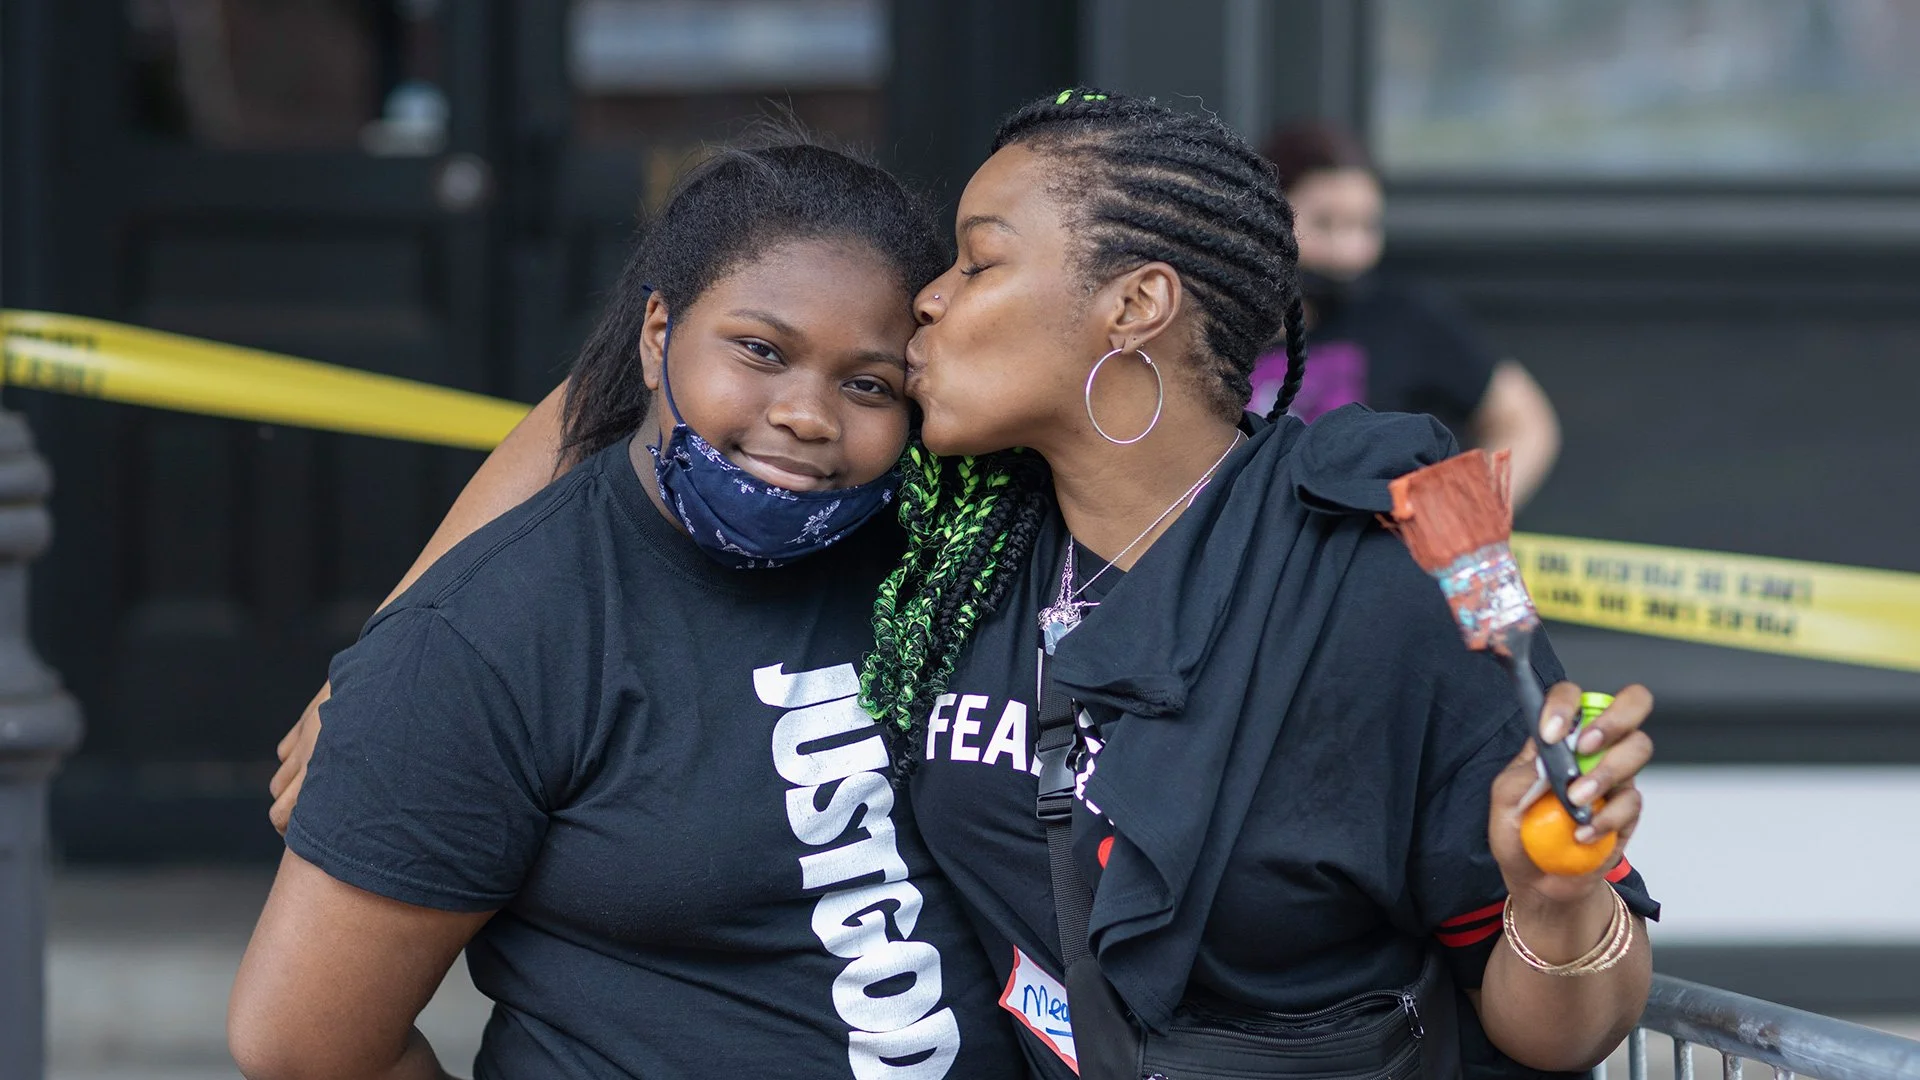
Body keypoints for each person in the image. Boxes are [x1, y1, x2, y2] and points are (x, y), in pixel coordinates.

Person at [270, 95, 1659, 1080]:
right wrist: (389, 677)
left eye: (978, 261)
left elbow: (1562, 1029)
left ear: (1134, 306)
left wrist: (1555, 905)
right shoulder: (963, 525)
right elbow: (634, 393)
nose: (927, 302)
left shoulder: (1368, 580)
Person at [229, 140, 1025, 1080]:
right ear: (656, 336)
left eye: (868, 385)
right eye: (761, 350)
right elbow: (300, 1046)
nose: (808, 415)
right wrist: (396, 656)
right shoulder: (488, 640)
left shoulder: (943, 531)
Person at [1250, 120, 1562, 509]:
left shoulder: (1406, 317)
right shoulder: (1225, 323)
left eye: (1365, 226)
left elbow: (1523, 422)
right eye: (1324, 224)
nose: (1350, 252)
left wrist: (1459, 515)